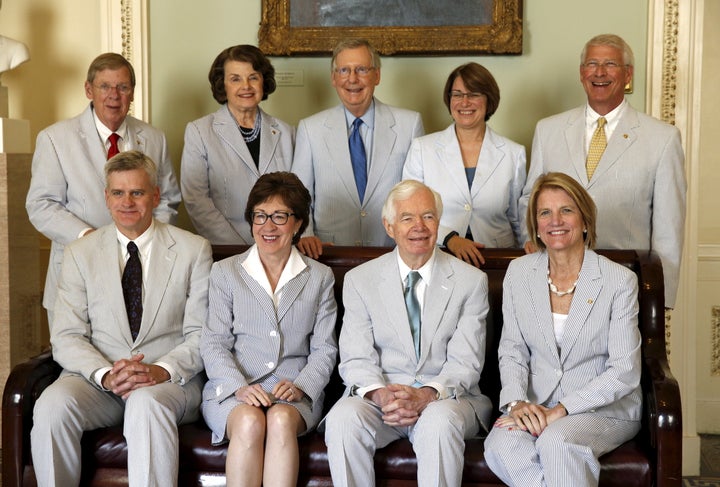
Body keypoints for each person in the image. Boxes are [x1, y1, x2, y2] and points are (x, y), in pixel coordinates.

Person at [30, 151, 211, 487]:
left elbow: (202, 334)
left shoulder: (194, 250)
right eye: (118, 193)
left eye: (137, 193)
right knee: (52, 405)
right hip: (99, 382)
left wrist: (159, 370)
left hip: (169, 382)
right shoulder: (79, 253)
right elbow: (66, 336)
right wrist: (105, 374)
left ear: (155, 196)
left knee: (145, 402)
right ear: (106, 197)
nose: (127, 202)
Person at [324, 180, 492, 487]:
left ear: (438, 224)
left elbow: (465, 362)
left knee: (438, 424)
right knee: (343, 418)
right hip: (383, 399)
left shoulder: (471, 281)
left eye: (428, 216)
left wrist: (425, 394)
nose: (419, 226)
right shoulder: (360, 280)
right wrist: (382, 394)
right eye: (407, 218)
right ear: (389, 226)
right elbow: (356, 357)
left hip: (446, 398)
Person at [484, 172, 642, 487]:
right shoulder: (519, 273)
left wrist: (563, 409)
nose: (555, 220)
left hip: (604, 410)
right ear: (537, 227)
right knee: (501, 442)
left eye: (566, 210)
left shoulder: (618, 281)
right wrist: (517, 402)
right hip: (535, 403)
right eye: (545, 212)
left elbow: (624, 370)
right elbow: (512, 350)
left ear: (585, 221)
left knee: (556, 441)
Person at [519, 34, 686, 308]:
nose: (599, 72)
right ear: (582, 73)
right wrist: (531, 241)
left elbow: (669, 228)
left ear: (628, 74)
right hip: (554, 283)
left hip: (625, 286)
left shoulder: (662, 139)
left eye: (610, 64)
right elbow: (530, 200)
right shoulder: (548, 130)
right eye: (592, 64)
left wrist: (659, 300)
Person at [200, 171, 338, 487]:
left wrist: (302, 385)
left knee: (278, 420)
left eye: (279, 216)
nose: (268, 226)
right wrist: (238, 386)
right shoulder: (225, 272)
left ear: (299, 223)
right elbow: (214, 343)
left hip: (294, 391)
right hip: (234, 389)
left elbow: (325, 349)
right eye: (260, 216)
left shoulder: (319, 277)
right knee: (249, 422)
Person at [26, 52, 181, 325]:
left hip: (142, 269)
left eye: (123, 87)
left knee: (136, 358)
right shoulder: (55, 138)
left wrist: (145, 242)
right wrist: (89, 237)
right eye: (105, 86)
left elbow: (167, 199)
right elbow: (41, 205)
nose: (114, 95)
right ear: (89, 90)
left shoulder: (155, 138)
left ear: (132, 92)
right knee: (78, 360)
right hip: (77, 272)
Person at [292, 38, 424, 258]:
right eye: (344, 70)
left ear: (377, 75)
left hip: (392, 253)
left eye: (362, 69)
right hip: (328, 254)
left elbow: (418, 195)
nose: (352, 79)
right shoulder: (310, 129)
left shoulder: (409, 125)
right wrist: (305, 235)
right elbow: (298, 195)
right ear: (334, 78)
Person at [403, 62, 526, 266]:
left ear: (489, 99)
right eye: (457, 94)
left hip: (496, 260)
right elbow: (408, 211)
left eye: (474, 94)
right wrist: (450, 238)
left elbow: (518, 218)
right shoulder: (422, 148)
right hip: (438, 257)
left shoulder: (514, 153)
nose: (465, 102)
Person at [181, 44, 295, 245]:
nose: (246, 86)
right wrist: (238, 250)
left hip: (280, 248)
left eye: (253, 77)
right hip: (225, 250)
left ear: (263, 81)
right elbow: (196, 200)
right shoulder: (199, 131)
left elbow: (297, 197)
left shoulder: (287, 132)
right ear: (222, 85)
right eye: (235, 79)